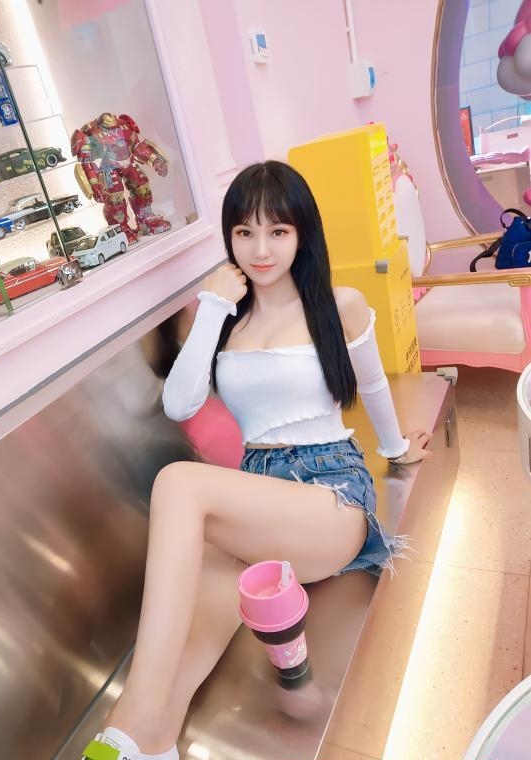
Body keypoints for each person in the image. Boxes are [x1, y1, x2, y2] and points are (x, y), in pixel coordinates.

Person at [81, 160, 431, 760]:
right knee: (197, 612)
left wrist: (397, 448)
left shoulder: (337, 305)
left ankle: (132, 717)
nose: (260, 249)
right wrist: (213, 308)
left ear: (302, 233)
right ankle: (143, 741)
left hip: (330, 494)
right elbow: (179, 402)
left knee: (179, 484)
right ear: (230, 238)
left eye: (278, 231)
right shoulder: (226, 319)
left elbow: (372, 384)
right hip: (262, 498)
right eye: (245, 232)